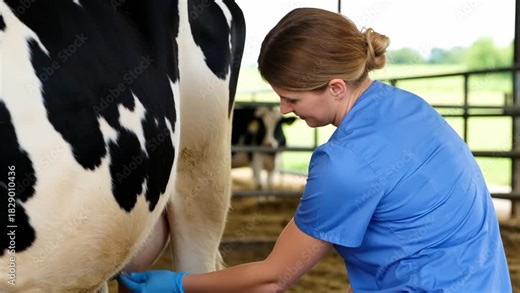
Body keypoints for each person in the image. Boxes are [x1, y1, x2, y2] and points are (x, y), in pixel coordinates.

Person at [119, 7, 512, 292]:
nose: (284, 109)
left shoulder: (343, 164)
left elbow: (274, 277)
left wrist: (180, 284)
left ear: (336, 87)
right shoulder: (410, 106)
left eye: (292, 98)